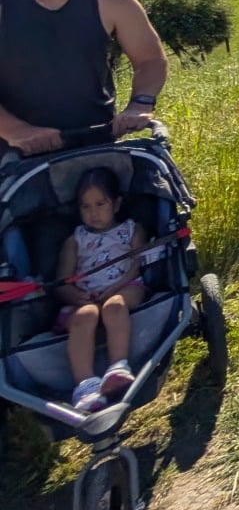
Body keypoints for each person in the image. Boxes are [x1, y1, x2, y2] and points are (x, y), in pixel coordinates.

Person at [0, 0, 168, 155]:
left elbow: (151, 59)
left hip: (95, 147)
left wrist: (139, 104)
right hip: (12, 154)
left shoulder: (114, 2)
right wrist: (15, 131)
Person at [56, 168, 149, 412]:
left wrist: (114, 288)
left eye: (100, 204)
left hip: (125, 286)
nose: (93, 212)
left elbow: (137, 265)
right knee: (85, 316)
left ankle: (118, 366)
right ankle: (85, 385)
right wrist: (76, 296)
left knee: (115, 305)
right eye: (85, 207)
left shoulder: (131, 230)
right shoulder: (74, 240)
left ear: (116, 204)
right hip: (87, 299)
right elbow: (62, 282)